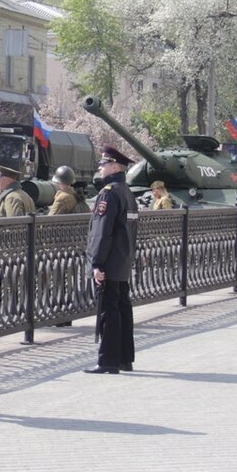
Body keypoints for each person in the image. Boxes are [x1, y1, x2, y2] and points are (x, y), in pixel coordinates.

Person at [84, 145, 139, 374]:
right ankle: (125, 358)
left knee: (109, 311)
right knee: (123, 308)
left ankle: (108, 360)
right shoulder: (127, 192)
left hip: (109, 260)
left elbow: (101, 231)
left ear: (115, 166)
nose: (100, 167)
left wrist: (96, 263)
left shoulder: (108, 192)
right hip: (123, 258)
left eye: (104, 163)